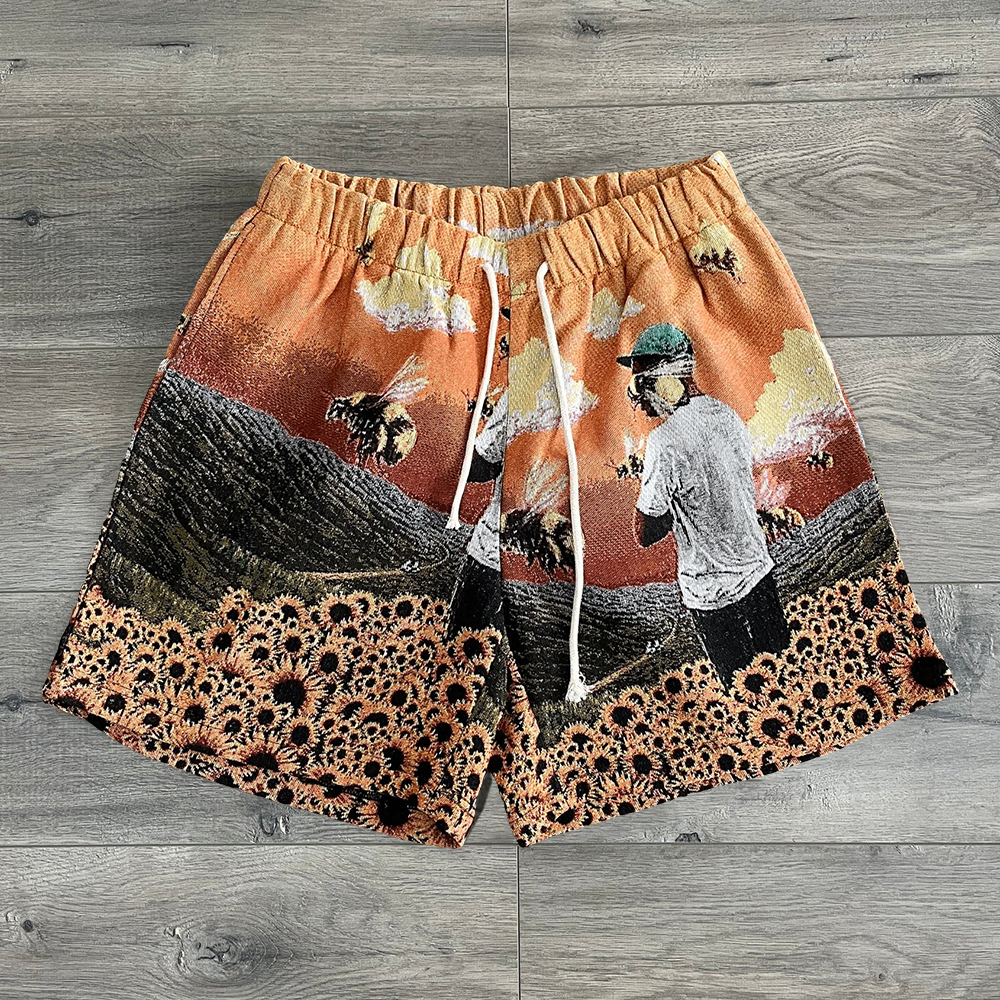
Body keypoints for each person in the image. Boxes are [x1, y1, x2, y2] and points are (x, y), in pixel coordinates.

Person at [617, 323, 791, 690]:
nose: (640, 400)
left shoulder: (664, 442)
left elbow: (644, 532)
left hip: (712, 598)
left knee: (745, 697)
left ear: (666, 379)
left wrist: (657, 490)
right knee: (788, 682)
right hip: (759, 575)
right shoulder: (727, 416)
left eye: (641, 385)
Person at [447, 389, 507, 638]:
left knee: (462, 645)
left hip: (492, 556)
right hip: (550, 576)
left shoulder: (526, 386)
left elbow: (482, 466)